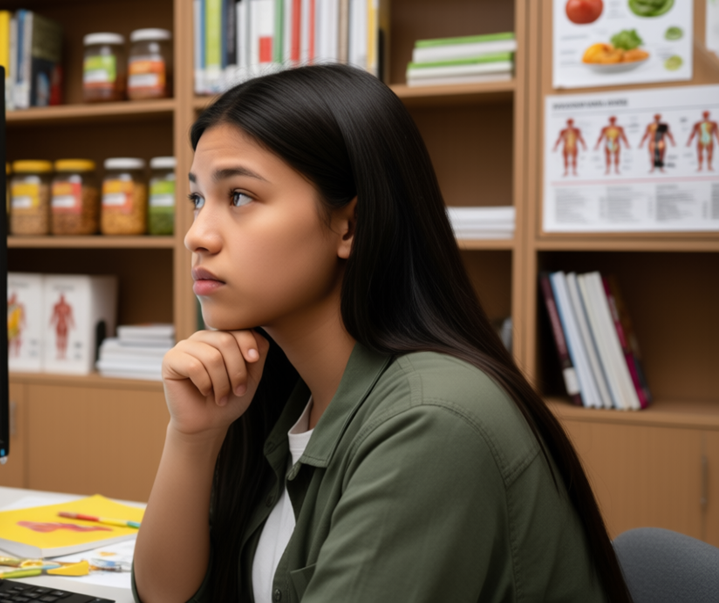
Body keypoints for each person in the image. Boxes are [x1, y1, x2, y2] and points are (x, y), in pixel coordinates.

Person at [132, 66, 630, 603]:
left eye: (240, 197)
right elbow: (165, 597)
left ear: (350, 225)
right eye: (197, 199)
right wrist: (192, 439)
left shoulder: (432, 423)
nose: (196, 236)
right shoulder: (278, 390)